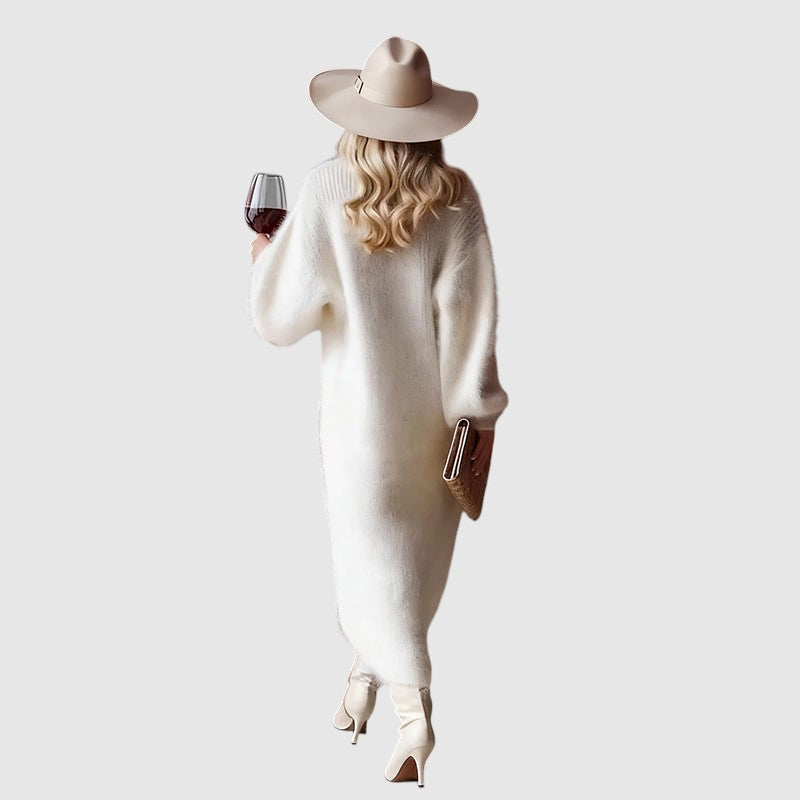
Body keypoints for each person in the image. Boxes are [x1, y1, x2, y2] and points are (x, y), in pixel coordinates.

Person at [249, 37, 509, 786]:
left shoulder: (325, 189)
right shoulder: (457, 199)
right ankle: (361, 689)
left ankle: (414, 719)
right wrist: (477, 415)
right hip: (433, 435)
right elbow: (474, 325)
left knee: (374, 570)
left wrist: (263, 259)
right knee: (400, 575)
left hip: (357, 434)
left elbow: (281, 319)